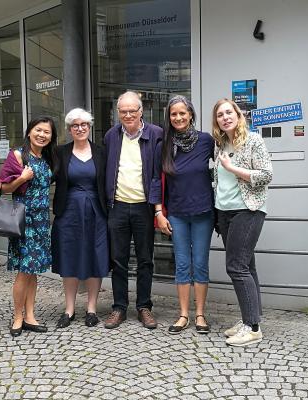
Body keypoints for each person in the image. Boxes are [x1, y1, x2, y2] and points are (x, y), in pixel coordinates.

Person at [211, 99, 273, 347]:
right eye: (220, 115)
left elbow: (266, 175)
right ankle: (251, 318)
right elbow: (219, 181)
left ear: (238, 115)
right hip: (225, 212)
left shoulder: (253, 140)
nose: (225, 117)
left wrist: (233, 168)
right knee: (247, 266)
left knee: (236, 267)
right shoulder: (220, 145)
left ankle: (252, 328)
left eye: (229, 112)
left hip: (247, 210)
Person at [103, 91, 164, 329]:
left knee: (145, 259)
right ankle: (119, 307)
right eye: (123, 111)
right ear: (118, 113)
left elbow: (158, 174)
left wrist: (157, 207)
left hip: (143, 207)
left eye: (132, 110)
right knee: (118, 259)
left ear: (141, 111)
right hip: (117, 206)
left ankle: (144, 307)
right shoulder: (111, 136)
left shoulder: (156, 134)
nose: (128, 115)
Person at [155, 96, 215, 334]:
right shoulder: (164, 145)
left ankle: (200, 314)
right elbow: (156, 181)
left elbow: (225, 163)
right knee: (181, 264)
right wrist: (158, 212)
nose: (178, 117)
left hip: (203, 212)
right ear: (168, 117)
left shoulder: (206, 140)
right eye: (173, 114)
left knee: (200, 263)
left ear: (191, 114)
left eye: (182, 113)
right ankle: (183, 315)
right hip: (177, 213)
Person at [0, 116, 58, 337]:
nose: (42, 135)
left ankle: (30, 316)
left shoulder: (47, 158)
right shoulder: (17, 155)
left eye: (47, 132)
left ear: (51, 137)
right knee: (24, 271)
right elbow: (3, 188)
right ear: (30, 131)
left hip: (41, 221)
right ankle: (17, 317)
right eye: (38, 130)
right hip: (23, 220)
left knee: (33, 270)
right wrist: (22, 178)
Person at [52, 108, 109, 328]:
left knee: (96, 255)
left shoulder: (101, 152)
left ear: (89, 127)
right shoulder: (60, 152)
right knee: (69, 256)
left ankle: (92, 308)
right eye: (75, 125)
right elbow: (46, 176)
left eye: (84, 124)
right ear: (69, 129)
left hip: (96, 211)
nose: (80, 128)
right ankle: (69, 309)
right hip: (68, 212)